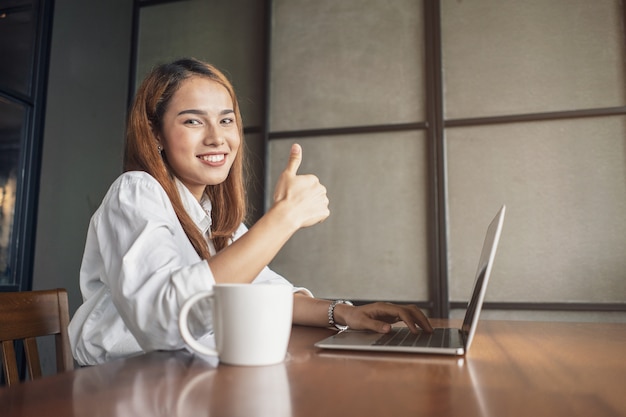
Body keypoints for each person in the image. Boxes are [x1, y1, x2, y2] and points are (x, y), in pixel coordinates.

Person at [68, 57, 432, 366]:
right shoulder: (135, 191)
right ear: (156, 134)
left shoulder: (210, 211)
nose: (216, 137)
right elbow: (164, 321)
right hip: (117, 381)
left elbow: (267, 290)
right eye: (193, 121)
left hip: (187, 374)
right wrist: (283, 218)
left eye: (226, 120)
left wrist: (347, 313)